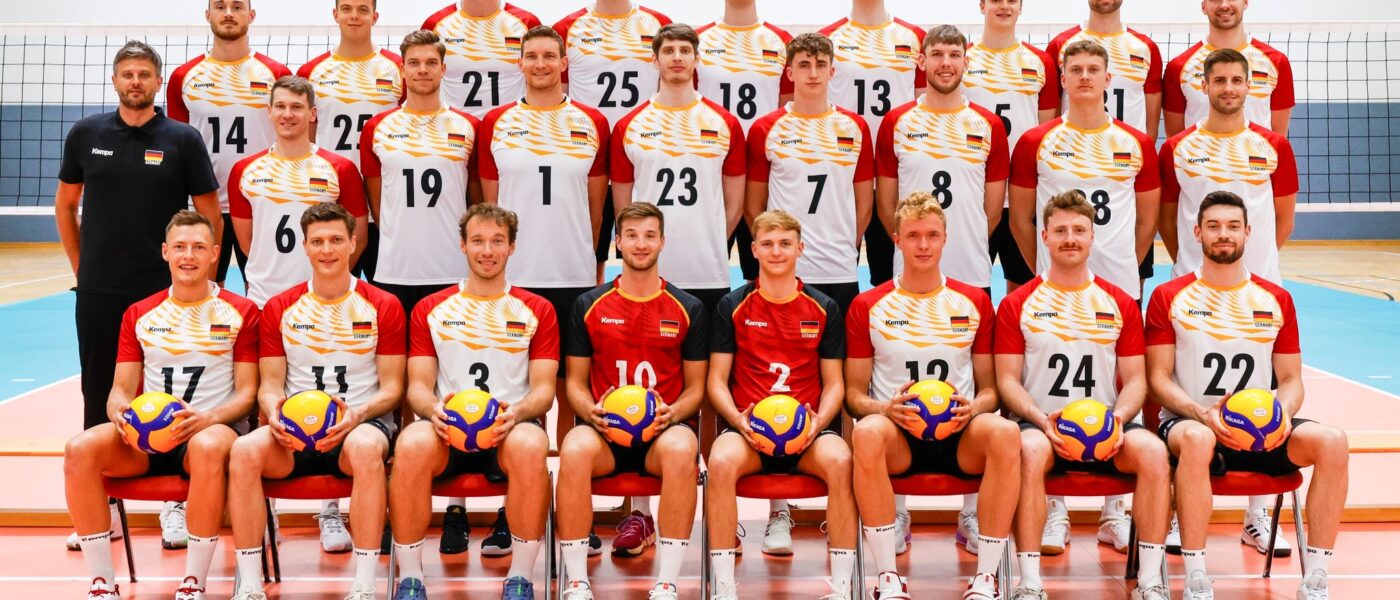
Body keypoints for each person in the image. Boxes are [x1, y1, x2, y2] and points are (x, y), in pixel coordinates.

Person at [56, 40, 221, 553]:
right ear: (115, 80)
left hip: (165, 292)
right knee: (98, 390)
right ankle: (99, 509)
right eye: (127, 74)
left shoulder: (182, 138)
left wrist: (198, 277)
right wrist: (84, 270)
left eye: (144, 74)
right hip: (102, 290)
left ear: (157, 81)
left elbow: (210, 213)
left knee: (172, 394)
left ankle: (176, 503)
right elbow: (67, 206)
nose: (135, 82)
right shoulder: (87, 134)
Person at [1146, 192, 1348, 600]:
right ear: (1197, 232)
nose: (1224, 234)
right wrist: (1201, 414)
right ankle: (1197, 574)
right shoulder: (1170, 297)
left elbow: (1291, 380)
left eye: (1233, 226)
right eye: (1215, 226)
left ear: (1248, 233)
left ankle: (1317, 576)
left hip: (1259, 430)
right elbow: (1158, 379)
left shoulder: (1276, 299)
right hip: (1191, 425)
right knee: (1199, 439)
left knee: (1333, 441)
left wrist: (1281, 416)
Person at [66, 211, 258, 600]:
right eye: (181, 247)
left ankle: (193, 580)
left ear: (215, 255)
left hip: (210, 433)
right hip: (147, 440)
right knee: (79, 448)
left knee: (206, 447)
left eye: (199, 248)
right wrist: (121, 414)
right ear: (166, 252)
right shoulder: (140, 313)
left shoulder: (242, 312)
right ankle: (102, 580)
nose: (189, 256)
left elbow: (247, 393)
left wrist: (207, 418)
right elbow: (119, 391)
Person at [995, 191, 1171, 600]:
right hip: (1041, 425)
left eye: (1078, 230)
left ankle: (1150, 580)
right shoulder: (1018, 303)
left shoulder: (1121, 303)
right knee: (1029, 450)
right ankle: (1030, 581)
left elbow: (1137, 381)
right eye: (1060, 231)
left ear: (1093, 237)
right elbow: (1007, 381)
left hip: (1109, 427)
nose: (1069, 238)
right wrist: (1042, 421)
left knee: (1154, 453)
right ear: (1045, 237)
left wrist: (1118, 420)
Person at [227, 203, 406, 600]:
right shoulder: (280, 307)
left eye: (337, 240)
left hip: (361, 425)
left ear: (354, 243)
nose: (328, 250)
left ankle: (363, 583)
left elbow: (393, 388)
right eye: (318, 241)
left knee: (363, 449)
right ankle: (251, 584)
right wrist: (274, 411)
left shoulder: (383, 305)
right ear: (305, 247)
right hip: (293, 433)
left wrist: (358, 414)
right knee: (242, 451)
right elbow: (270, 384)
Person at [848, 192, 1019, 600]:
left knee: (1006, 434)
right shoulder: (868, 305)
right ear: (896, 240)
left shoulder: (974, 301)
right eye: (913, 236)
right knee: (867, 431)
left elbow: (991, 390)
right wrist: (884, 408)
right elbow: (854, 396)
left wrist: (973, 408)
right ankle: (888, 576)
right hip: (898, 437)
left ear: (945, 239)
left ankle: (986, 578)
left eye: (931, 235)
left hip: (959, 436)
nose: (923, 245)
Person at [390, 204, 558, 600]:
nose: (488, 250)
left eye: (498, 241)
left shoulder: (537, 309)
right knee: (410, 445)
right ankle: (411, 579)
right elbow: (417, 386)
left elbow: (545, 391)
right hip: (446, 431)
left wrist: (515, 414)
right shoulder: (431, 309)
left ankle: (520, 578)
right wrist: (433, 412)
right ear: (463, 245)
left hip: (508, 429)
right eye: (478, 241)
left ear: (512, 247)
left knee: (533, 445)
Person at [477, 24, 610, 493]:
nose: (539, 64)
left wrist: (589, 258)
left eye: (548, 56)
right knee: (517, 388)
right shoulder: (496, 122)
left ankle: (574, 503)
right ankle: (514, 503)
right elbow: (491, 206)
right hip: (516, 278)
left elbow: (597, 205)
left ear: (563, 63)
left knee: (572, 391)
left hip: (573, 274)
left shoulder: (592, 122)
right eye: (530, 56)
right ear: (520, 63)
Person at [554, 202, 709, 600]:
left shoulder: (688, 308)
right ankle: (576, 580)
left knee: (682, 447)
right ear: (618, 242)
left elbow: (696, 388)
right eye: (633, 236)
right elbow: (574, 382)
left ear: (663, 242)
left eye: (650, 235)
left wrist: (674, 412)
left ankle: (667, 581)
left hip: (661, 433)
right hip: (605, 432)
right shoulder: (588, 305)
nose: (641, 244)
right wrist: (588, 411)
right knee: (572, 449)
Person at [706, 210, 854, 600]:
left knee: (841, 460)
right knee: (719, 461)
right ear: (753, 249)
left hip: (807, 433)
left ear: (800, 248)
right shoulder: (732, 306)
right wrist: (738, 422)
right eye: (768, 244)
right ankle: (723, 586)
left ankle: (841, 586)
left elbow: (835, 383)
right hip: (749, 433)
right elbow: (716, 381)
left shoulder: (823, 308)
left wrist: (818, 423)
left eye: (785, 243)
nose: (776, 252)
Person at [1009, 40, 1159, 304]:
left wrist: (1127, 266)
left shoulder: (1138, 143)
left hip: (1119, 283)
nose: (1085, 76)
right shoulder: (1034, 142)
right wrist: (1043, 269)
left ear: (1108, 78)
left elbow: (1147, 221)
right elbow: (1020, 220)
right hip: (1055, 284)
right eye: (1076, 70)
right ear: (1064, 79)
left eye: (1093, 69)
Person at [746, 32, 874, 315]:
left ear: (832, 72)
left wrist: (846, 244)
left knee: (837, 357)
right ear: (790, 72)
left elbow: (864, 204)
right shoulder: (766, 129)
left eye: (820, 64)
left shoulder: (855, 127)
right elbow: (753, 205)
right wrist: (774, 251)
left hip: (839, 267)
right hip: (785, 270)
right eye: (804, 65)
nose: (813, 73)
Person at [168, 0, 292, 287]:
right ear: (207, 14)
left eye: (237, 7)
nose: (228, 13)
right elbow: (178, 144)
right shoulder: (183, 78)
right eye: (220, 6)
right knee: (205, 293)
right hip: (204, 204)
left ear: (251, 15)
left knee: (264, 292)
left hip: (261, 202)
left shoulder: (275, 73)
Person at [554, 0, 672, 282]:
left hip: (637, 157)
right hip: (585, 160)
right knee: (588, 255)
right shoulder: (568, 27)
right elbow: (560, 98)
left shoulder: (657, 23)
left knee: (639, 249)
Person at [1159, 49, 1298, 285]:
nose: (1228, 89)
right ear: (1204, 86)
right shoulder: (1176, 148)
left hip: (1259, 278)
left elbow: (1285, 220)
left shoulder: (1275, 146)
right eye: (1219, 81)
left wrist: (1260, 259)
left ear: (1248, 86)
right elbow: (1166, 221)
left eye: (1236, 80)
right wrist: (1189, 261)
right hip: (1194, 279)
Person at [230, 76, 370, 308]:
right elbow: (248, 243)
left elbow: (359, 238)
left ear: (312, 113)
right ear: (269, 111)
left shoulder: (340, 169)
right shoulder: (244, 170)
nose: (287, 114)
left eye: (297, 107)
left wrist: (329, 279)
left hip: (323, 299)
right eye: (280, 107)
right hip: (265, 298)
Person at [819, 0, 925, 290]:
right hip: (843, 177)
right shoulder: (828, 38)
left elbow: (924, 107)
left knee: (892, 281)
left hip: (897, 178)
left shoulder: (914, 38)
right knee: (835, 278)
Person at [298, 0, 403, 282]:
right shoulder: (313, 71)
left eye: (362, 9)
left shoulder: (398, 68)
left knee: (386, 297)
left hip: (385, 201)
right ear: (335, 14)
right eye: (346, 8)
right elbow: (305, 136)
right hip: (333, 200)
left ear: (375, 16)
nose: (354, 16)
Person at [962, 0, 1058, 297]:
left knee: (1024, 290)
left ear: (1021, 7)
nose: (1003, 6)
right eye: (995, 0)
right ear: (981, 5)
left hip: (1023, 197)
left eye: (1011, 0)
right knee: (968, 289)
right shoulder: (962, 58)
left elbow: (1045, 130)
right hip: (976, 196)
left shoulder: (1040, 62)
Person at [696, 0, 794, 284]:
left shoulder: (781, 42)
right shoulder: (700, 40)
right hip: (715, 173)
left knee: (765, 273)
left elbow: (787, 110)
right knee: (707, 274)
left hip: (763, 176)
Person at [1164, 0, 1294, 137]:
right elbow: (1176, 142)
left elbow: (1278, 140)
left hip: (1255, 158)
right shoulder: (1179, 67)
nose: (1224, 5)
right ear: (1204, 6)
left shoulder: (1276, 62)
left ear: (1245, 2)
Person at [1046, 0, 1163, 138]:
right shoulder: (1060, 45)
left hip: (1127, 153)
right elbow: (1051, 111)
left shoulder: (1145, 48)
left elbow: (1151, 126)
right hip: (1074, 146)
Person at [422, 0, 541, 118]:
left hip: (510, 127)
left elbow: (543, 83)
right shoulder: (436, 24)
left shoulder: (526, 23)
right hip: (453, 127)